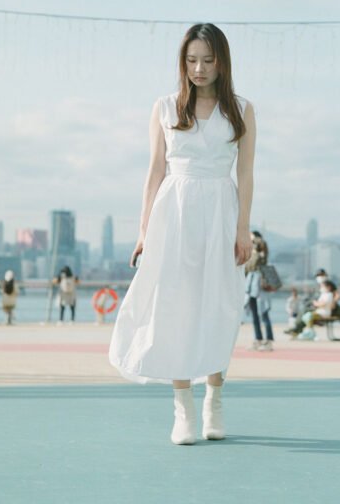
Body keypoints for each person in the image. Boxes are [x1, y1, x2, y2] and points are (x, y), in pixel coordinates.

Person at [109, 22, 256, 446]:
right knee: (174, 305)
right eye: (192, 60)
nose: (199, 68)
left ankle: (215, 398)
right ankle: (182, 408)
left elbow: (245, 174)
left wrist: (243, 227)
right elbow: (155, 170)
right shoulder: (166, 107)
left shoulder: (243, 110)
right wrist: (143, 230)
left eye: (208, 60)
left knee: (220, 305)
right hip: (173, 211)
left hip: (221, 211)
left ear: (222, 62)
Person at [244, 243, 274, 352]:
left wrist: (255, 252)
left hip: (260, 289)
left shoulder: (261, 258)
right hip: (252, 288)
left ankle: (268, 340)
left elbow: (251, 265)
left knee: (264, 314)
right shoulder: (253, 257)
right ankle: (258, 339)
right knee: (255, 316)